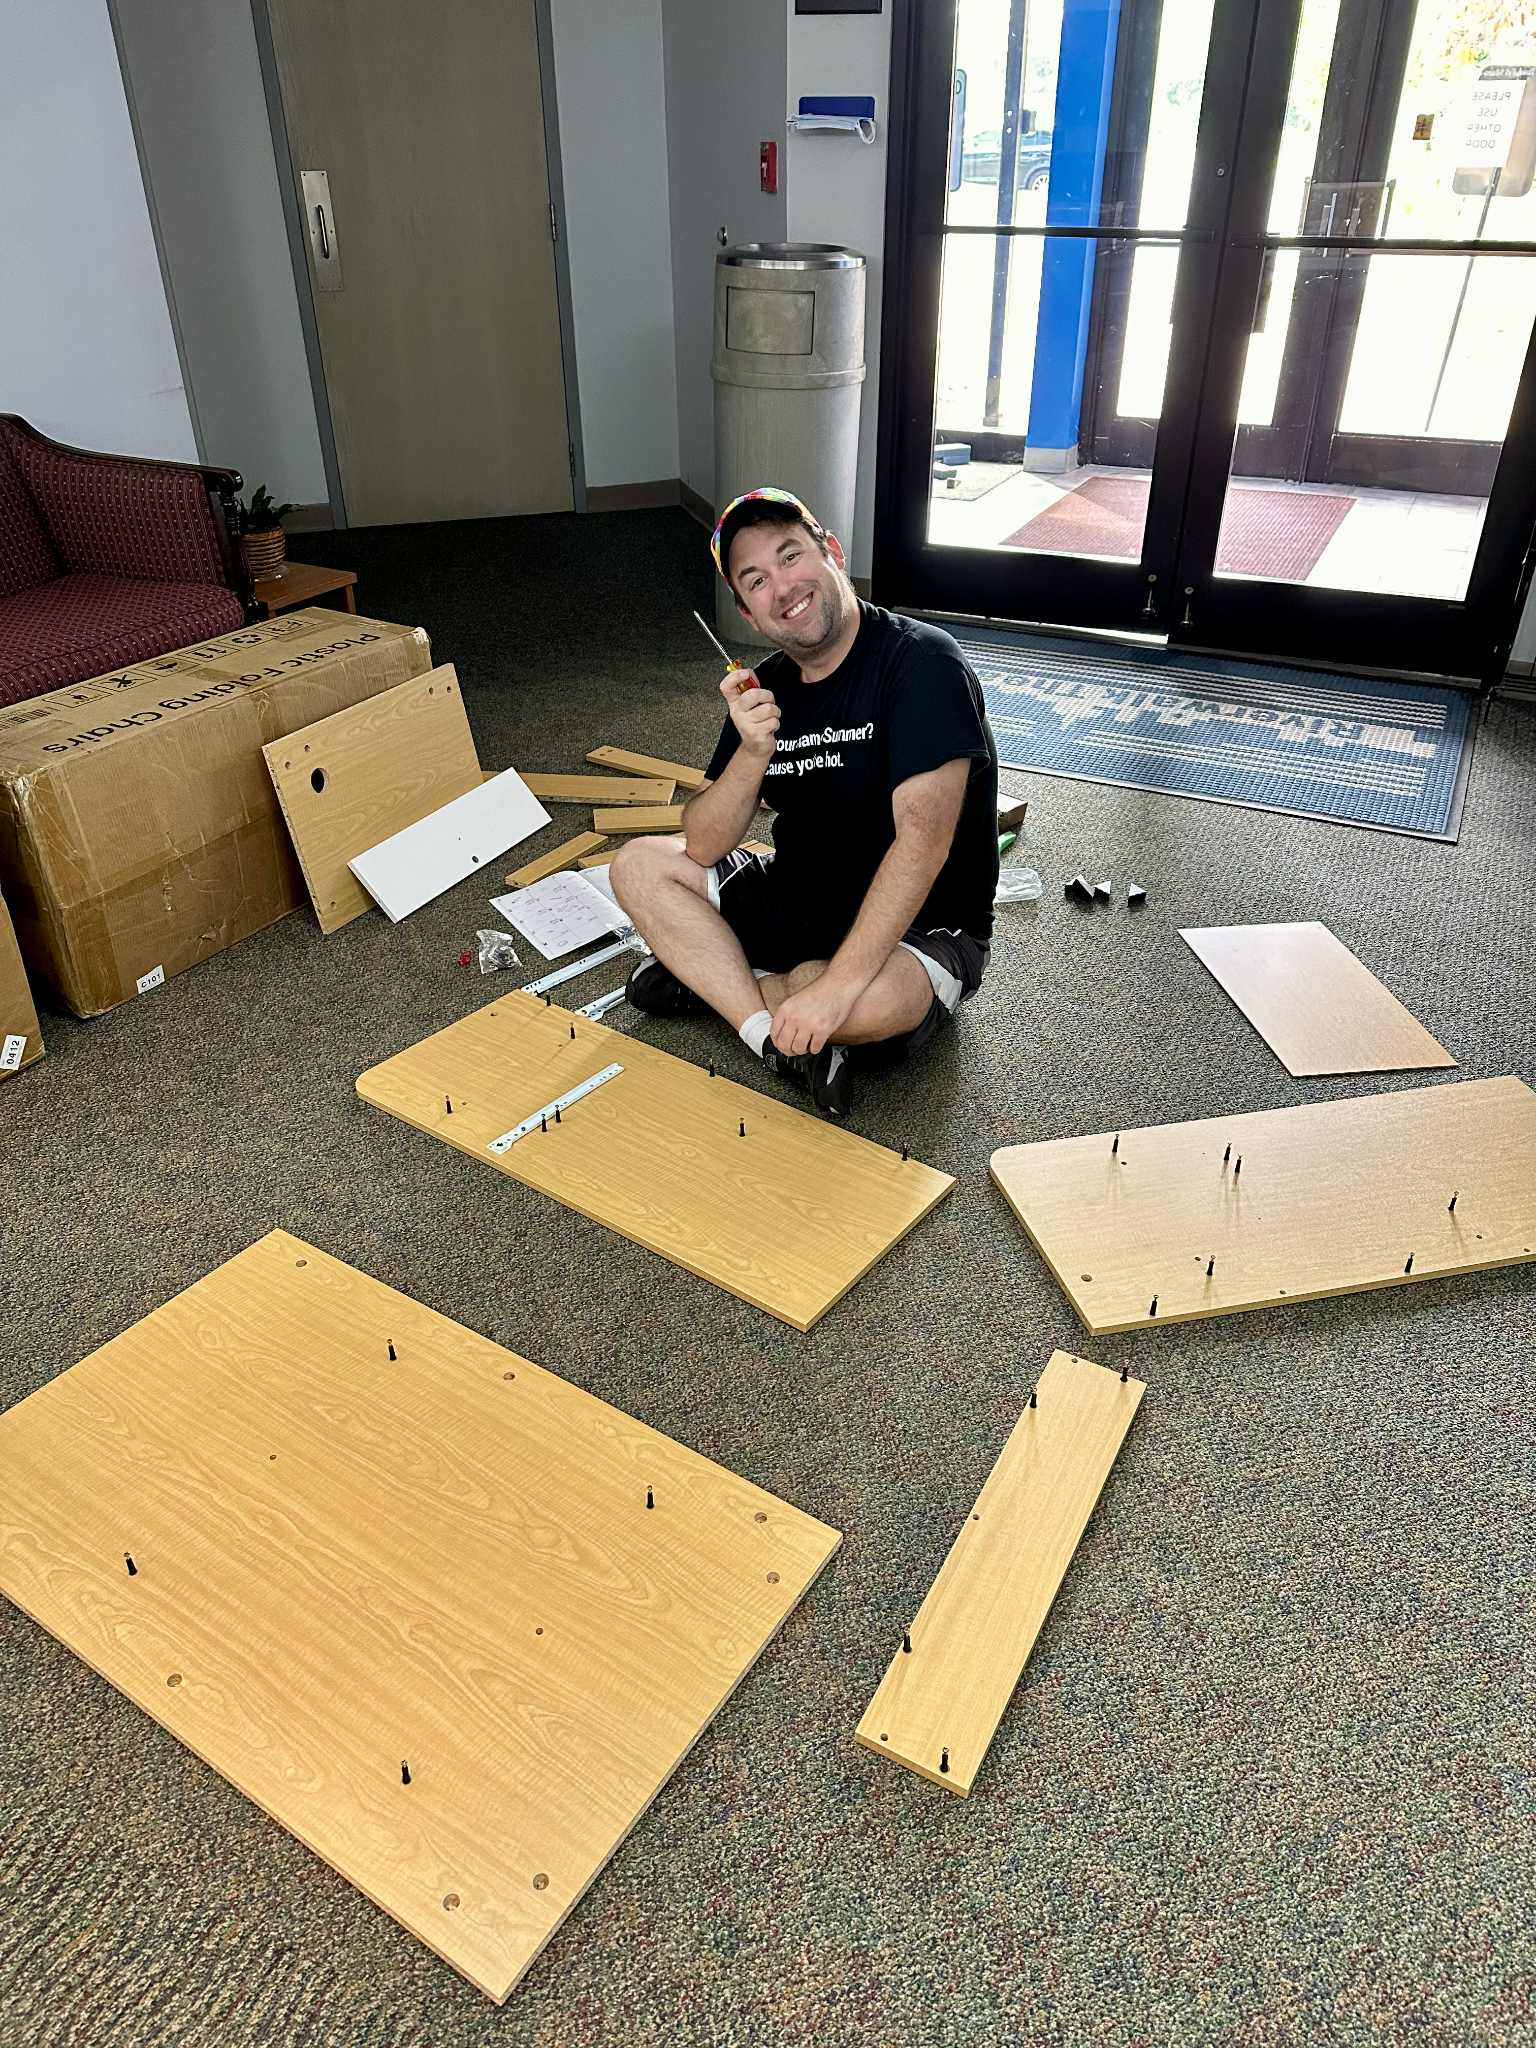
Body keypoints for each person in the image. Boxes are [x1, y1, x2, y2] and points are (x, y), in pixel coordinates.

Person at [610, 486, 999, 1117]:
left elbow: (922, 848)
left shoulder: (922, 663)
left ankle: (717, 984)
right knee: (636, 867)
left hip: (921, 925)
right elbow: (705, 842)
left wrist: (836, 989)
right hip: (799, 901)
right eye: (756, 580)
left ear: (832, 552)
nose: (783, 589)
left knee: (870, 1003)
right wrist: (751, 751)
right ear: (746, 610)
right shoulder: (764, 690)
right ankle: (768, 1035)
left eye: (790, 557)